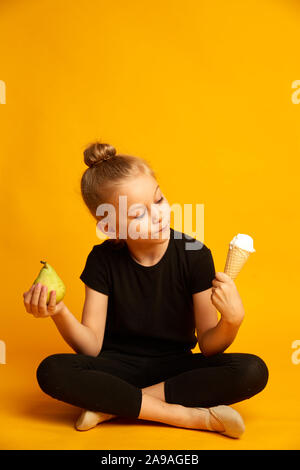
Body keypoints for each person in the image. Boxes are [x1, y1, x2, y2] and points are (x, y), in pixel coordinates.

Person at [23, 142, 268, 438]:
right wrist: (58, 311)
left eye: (160, 199)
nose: (159, 215)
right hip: (115, 367)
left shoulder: (195, 253)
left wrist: (231, 321)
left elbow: (208, 345)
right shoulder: (102, 260)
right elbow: (90, 348)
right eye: (138, 215)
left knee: (252, 370)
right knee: (51, 370)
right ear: (111, 227)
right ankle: (188, 417)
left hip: (177, 368)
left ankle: (114, 405)